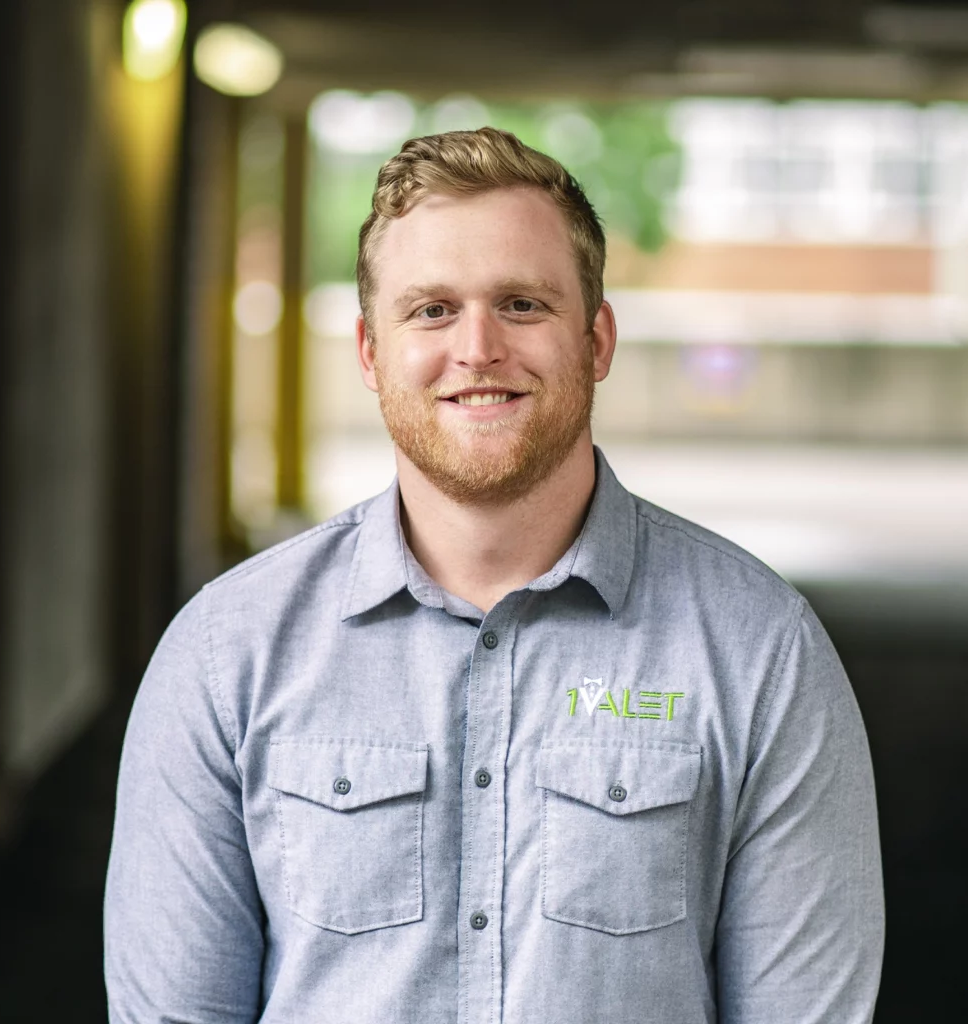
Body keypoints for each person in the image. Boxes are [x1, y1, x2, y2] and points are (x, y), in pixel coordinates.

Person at [104, 127, 884, 1023]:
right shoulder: (225, 652)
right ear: (369, 352)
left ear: (595, 342)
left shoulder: (760, 651)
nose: (477, 348)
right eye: (431, 309)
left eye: (521, 304)